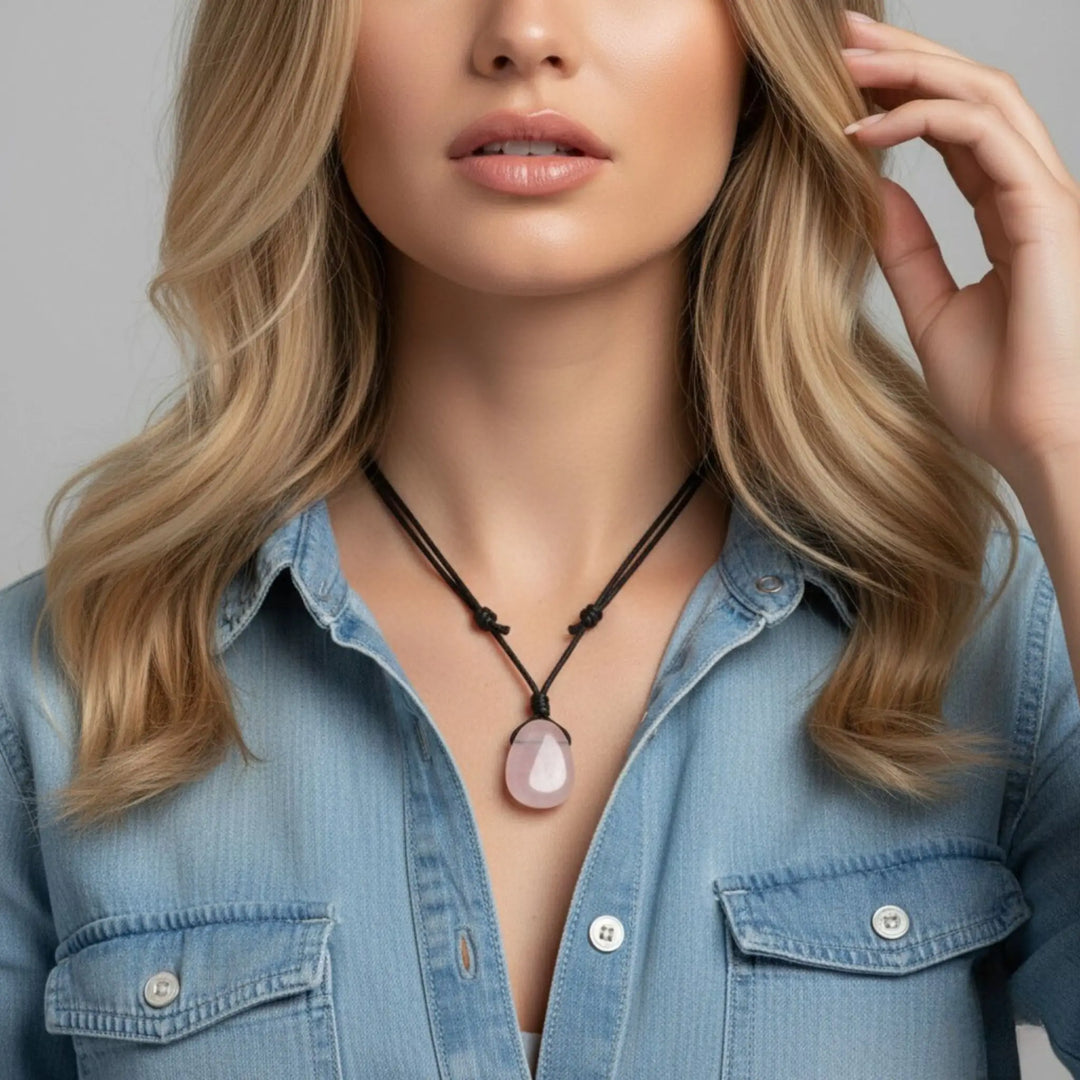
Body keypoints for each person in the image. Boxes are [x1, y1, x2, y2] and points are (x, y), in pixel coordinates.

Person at [2, 0, 1079, 1076]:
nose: (525, 32)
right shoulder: (55, 692)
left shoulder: (1001, 643)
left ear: (767, 44)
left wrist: (1070, 454)